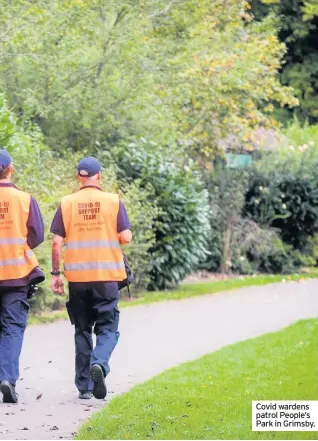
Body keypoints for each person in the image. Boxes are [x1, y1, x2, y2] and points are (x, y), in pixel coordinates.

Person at [50, 157, 132, 400]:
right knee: (108, 328)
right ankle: (100, 364)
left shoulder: (67, 203)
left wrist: (56, 274)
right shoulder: (113, 202)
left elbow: (56, 242)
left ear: (78, 177)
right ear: (100, 176)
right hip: (106, 278)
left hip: (77, 279)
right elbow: (125, 237)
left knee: (82, 329)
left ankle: (85, 386)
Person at [0, 150, 45, 404]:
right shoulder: (25, 199)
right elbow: (37, 235)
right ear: (11, 169)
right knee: (13, 328)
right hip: (16, 276)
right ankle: (7, 379)